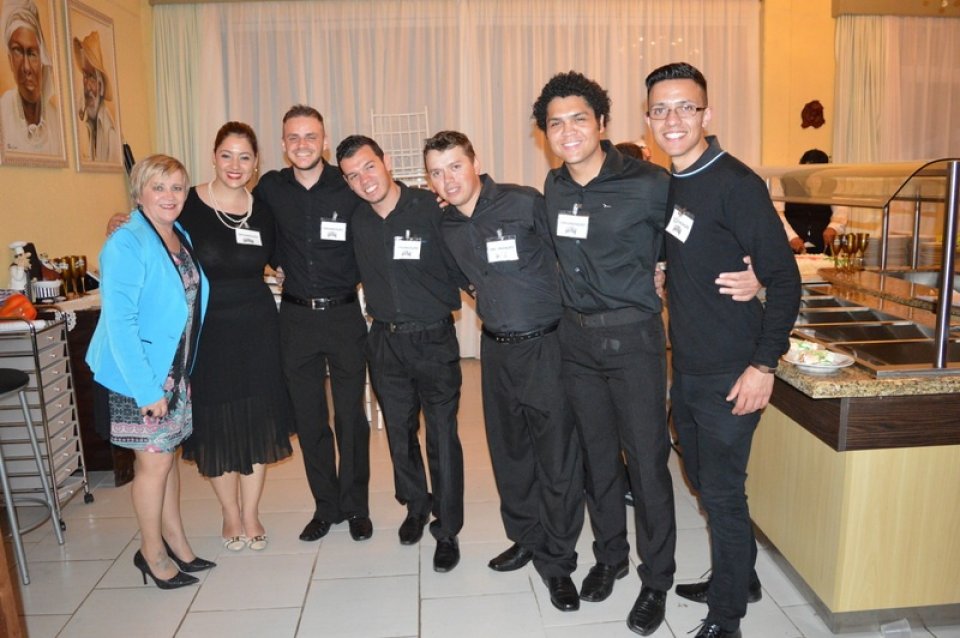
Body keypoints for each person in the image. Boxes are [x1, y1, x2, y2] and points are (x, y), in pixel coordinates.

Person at [645, 62, 801, 638]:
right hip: (686, 366)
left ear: (707, 114)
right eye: (661, 109)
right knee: (699, 475)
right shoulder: (674, 183)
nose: (673, 119)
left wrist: (764, 366)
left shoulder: (736, 183)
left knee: (723, 493)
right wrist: (667, 272)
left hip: (733, 370)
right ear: (649, 121)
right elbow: (692, 248)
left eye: (685, 106)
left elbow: (786, 279)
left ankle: (727, 617)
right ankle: (744, 578)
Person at [532, 70, 674, 636]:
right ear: (545, 133)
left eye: (578, 119)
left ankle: (656, 578)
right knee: (596, 460)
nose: (567, 131)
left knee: (646, 463)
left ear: (602, 124)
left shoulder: (649, 182)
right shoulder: (553, 186)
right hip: (577, 341)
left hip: (635, 338)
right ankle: (610, 555)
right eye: (555, 123)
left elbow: (688, 241)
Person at [424, 130, 584, 609]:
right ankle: (527, 538)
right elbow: (464, 282)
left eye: (454, 166)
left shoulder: (523, 202)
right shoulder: (446, 226)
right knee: (510, 455)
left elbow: (569, 256)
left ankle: (558, 561)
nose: (447, 179)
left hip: (548, 347)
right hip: (496, 351)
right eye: (436, 171)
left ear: (475, 161)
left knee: (556, 458)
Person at [336, 135, 465, 572]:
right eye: (352, 176)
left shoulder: (431, 207)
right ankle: (415, 505)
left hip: (433, 338)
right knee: (398, 432)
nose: (364, 180)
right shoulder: (357, 221)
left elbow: (470, 238)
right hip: (385, 340)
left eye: (368, 167)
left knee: (442, 436)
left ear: (386, 161)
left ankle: (447, 529)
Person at [86, 154, 213, 589]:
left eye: (177, 187)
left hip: (172, 371)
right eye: (158, 187)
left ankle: (176, 541)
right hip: (138, 375)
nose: (169, 196)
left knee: (168, 460)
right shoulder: (126, 241)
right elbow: (119, 323)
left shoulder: (179, 233)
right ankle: (151, 552)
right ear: (139, 192)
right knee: (153, 465)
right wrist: (145, 390)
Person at [253, 106, 372, 543]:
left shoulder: (347, 186)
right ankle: (327, 506)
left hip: (343, 315)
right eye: (293, 137)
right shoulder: (269, 188)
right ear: (283, 144)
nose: (302, 144)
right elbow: (240, 226)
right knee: (309, 419)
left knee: (350, 418)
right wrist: (273, 263)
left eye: (310, 136)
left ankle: (356, 505)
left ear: (323, 141)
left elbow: (382, 211)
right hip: (296, 317)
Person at [176, 122, 294, 552]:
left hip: (258, 324)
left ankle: (251, 512)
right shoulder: (186, 204)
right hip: (208, 327)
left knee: (258, 414)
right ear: (213, 156)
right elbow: (152, 233)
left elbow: (282, 255)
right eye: (227, 155)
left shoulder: (261, 209)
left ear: (256, 162)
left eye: (245, 157)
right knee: (216, 418)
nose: (235, 165)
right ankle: (229, 514)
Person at [1, 0, 62, 155]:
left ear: (42, 59)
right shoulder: (2, 112)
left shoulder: (56, 121)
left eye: (32, 53)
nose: (26, 67)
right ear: (10, 60)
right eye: (18, 52)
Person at [778, 148, 846, 254]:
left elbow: (841, 211)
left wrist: (833, 227)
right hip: (792, 246)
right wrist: (791, 236)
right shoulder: (784, 183)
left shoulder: (834, 184)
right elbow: (778, 214)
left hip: (822, 247)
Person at [72, 30, 120, 163]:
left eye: (92, 77)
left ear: (101, 84)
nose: (87, 86)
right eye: (85, 76)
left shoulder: (109, 131)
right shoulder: (84, 123)